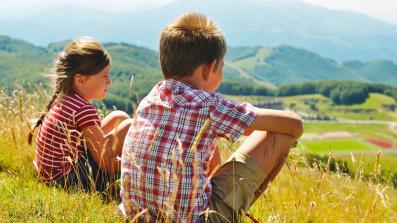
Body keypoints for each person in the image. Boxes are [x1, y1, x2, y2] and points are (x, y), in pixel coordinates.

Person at [120, 13, 303, 222]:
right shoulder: (209, 105)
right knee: (281, 135)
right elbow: (294, 124)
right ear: (209, 69)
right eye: (222, 67)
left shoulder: (151, 98)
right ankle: (235, 214)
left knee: (207, 140)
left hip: (136, 217)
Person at [28, 36, 132, 194]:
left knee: (119, 117)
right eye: (104, 76)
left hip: (51, 175)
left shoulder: (65, 99)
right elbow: (106, 164)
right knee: (129, 126)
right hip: (69, 181)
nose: (109, 81)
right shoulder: (83, 109)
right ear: (80, 80)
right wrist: (133, 164)